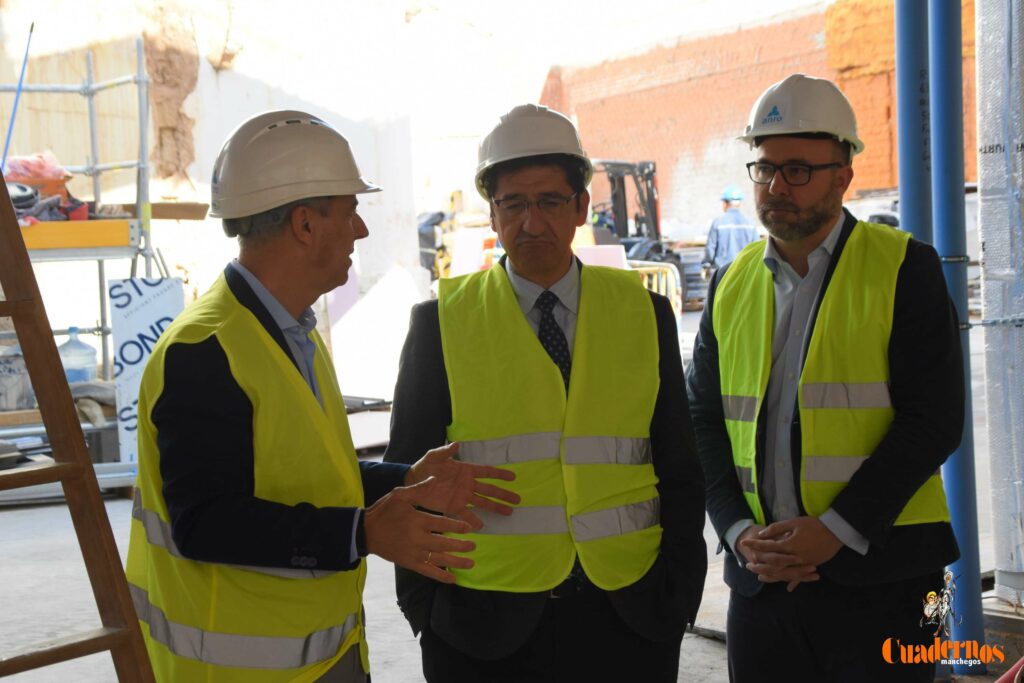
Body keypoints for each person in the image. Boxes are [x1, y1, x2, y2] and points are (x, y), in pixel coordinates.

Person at [125, 110, 520, 683]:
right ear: (306, 225)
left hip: (320, 657)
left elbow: (305, 481)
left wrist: (404, 479)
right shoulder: (206, 350)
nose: (360, 231)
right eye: (350, 211)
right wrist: (363, 534)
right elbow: (204, 522)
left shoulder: (290, 331)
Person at [384, 103, 707, 682]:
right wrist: (426, 611)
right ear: (492, 212)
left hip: (629, 618)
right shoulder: (441, 324)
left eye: (550, 202)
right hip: (483, 629)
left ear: (581, 207)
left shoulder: (644, 313)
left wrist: (679, 592)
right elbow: (408, 475)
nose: (531, 223)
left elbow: (679, 463)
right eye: (513, 204)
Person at [686, 73, 963, 681]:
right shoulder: (731, 285)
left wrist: (835, 531)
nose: (777, 186)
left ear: (843, 175)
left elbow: (935, 421)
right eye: (764, 168)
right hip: (761, 585)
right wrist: (736, 531)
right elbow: (703, 420)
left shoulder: (903, 268)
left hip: (885, 578)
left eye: (798, 170)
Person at [702, 185, 760, 269]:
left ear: (725, 203)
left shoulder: (718, 222)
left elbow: (710, 249)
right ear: (739, 203)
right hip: (744, 271)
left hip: (723, 272)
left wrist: (706, 263)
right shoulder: (750, 223)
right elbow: (757, 248)